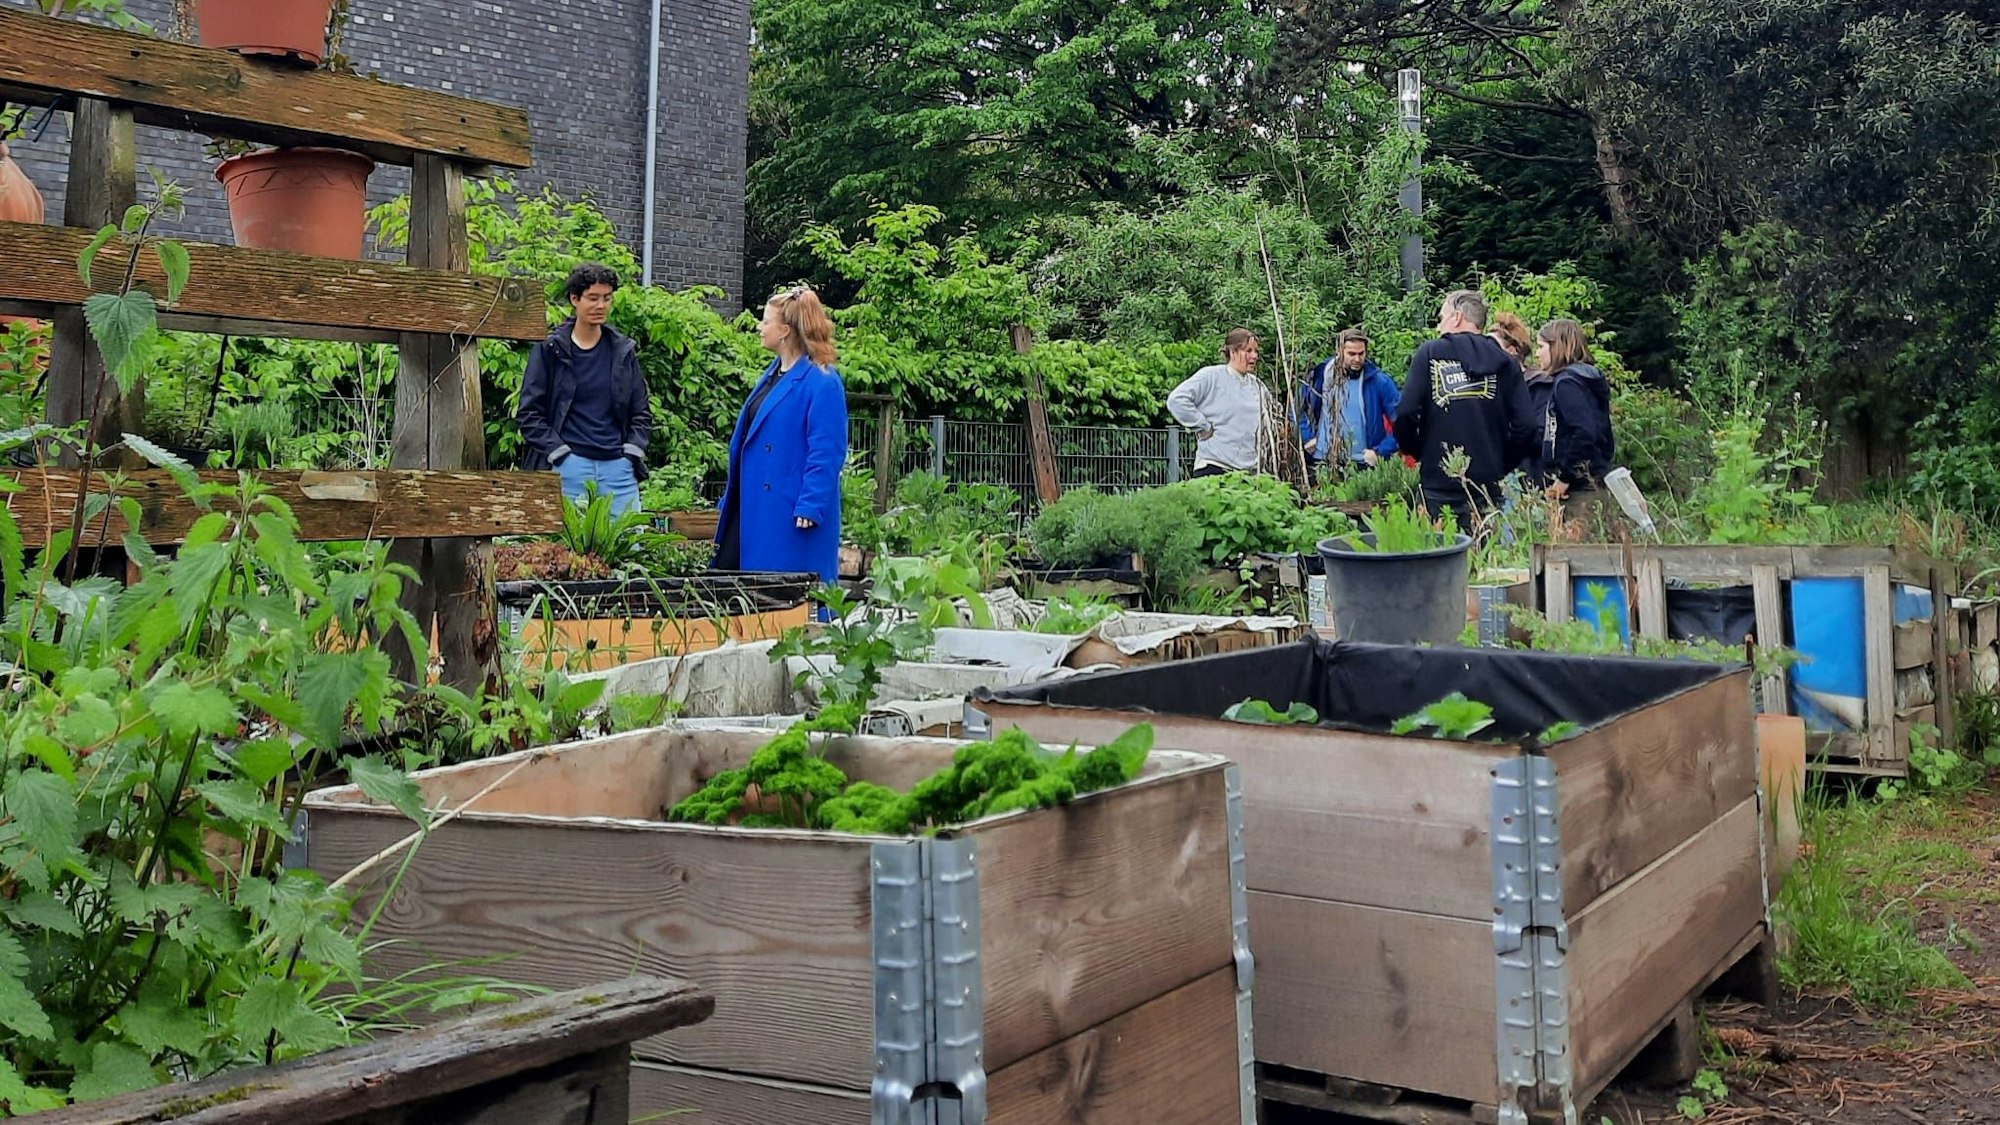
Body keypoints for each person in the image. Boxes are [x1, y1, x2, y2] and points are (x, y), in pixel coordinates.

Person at [712, 284, 848, 583]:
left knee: (793, 592)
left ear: (785, 330)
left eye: (766, 321)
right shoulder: (773, 373)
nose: (760, 328)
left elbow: (827, 451)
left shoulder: (822, 381)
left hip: (790, 510)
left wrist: (811, 504)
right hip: (756, 505)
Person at [1392, 289, 1537, 532]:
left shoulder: (1430, 353)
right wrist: (1502, 462)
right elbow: (1528, 425)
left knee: (1436, 562)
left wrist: (1418, 451)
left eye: (1441, 317)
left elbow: (1405, 412)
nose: (1439, 326)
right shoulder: (1507, 363)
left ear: (1457, 317)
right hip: (1486, 485)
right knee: (1484, 562)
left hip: (1438, 484)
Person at [517, 262, 652, 514]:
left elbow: (641, 411)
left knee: (629, 549)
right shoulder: (551, 350)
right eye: (592, 298)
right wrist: (559, 454)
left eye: (606, 298)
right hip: (568, 468)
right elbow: (529, 412)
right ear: (575, 299)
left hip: (618, 470)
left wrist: (631, 452)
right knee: (564, 551)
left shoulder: (622, 351)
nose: (600, 306)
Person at [1535, 318, 1616, 530]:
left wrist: (1564, 477)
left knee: (1576, 553)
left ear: (1558, 347)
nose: (1537, 354)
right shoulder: (1585, 379)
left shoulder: (1568, 384)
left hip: (1578, 490)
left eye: (1541, 347)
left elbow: (1584, 432)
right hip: (1592, 481)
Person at [1168, 329, 1269, 477]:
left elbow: (1273, 415)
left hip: (1249, 472)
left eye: (1255, 351)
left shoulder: (1257, 385)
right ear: (1232, 352)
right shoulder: (1211, 376)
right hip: (1214, 468)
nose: (1254, 356)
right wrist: (1203, 425)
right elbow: (1177, 400)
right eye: (1248, 351)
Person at [1301, 328, 1400, 474]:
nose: (1357, 359)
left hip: (1363, 464)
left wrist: (1380, 452)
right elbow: (1297, 408)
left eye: (1361, 354)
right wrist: (1308, 437)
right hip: (1323, 460)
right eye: (1351, 354)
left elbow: (1403, 422)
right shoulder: (1322, 375)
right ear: (1339, 351)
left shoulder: (1379, 382)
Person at [1489, 310, 1550, 480]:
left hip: (1530, 475)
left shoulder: (1540, 385)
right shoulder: (1489, 386)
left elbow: (1540, 436)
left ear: (1512, 351)